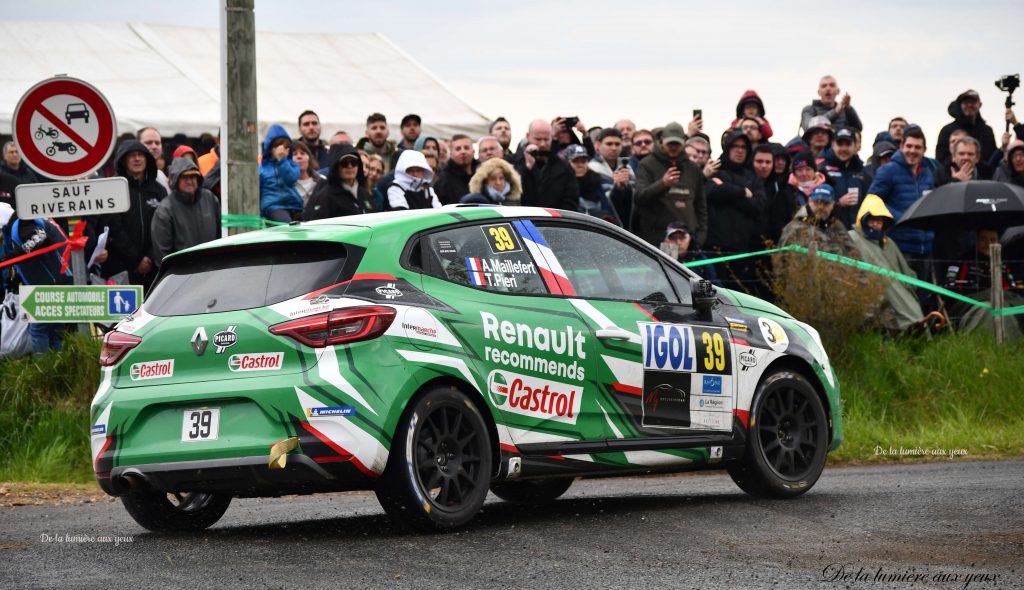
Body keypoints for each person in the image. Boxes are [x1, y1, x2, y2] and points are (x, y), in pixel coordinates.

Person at [868, 126, 936, 282]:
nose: (912, 151)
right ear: (901, 146)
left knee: (923, 298)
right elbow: (872, 201)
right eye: (909, 146)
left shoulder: (927, 173)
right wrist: (903, 218)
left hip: (925, 247)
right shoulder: (888, 171)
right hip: (900, 246)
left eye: (917, 147)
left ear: (924, 150)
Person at [847, 195, 925, 332]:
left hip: (899, 296)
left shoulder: (888, 243)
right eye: (872, 220)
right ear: (863, 220)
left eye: (879, 221)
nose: (876, 224)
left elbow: (905, 272)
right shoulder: (853, 238)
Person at [99, 139, 167, 288]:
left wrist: (150, 257)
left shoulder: (159, 190)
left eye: (141, 155)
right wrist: (136, 260)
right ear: (123, 160)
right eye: (132, 155)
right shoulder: (113, 189)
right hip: (120, 267)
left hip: (154, 267)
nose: (137, 159)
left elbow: (165, 228)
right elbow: (113, 227)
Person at [704, 129, 767, 292]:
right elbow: (710, 193)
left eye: (743, 147)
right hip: (715, 248)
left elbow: (757, 206)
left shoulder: (753, 177)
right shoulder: (715, 170)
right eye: (735, 146)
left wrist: (726, 191)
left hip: (743, 250)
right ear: (727, 148)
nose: (739, 150)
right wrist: (742, 192)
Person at [0, 212, 70, 353]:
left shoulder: (20, 224)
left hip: (46, 283)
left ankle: (45, 371)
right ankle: (58, 367)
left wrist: (10, 258)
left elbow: (39, 237)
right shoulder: (28, 220)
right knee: (54, 330)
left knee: (39, 329)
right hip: (58, 279)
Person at [634, 121, 707, 247]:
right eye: (670, 143)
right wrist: (663, 184)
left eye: (677, 144)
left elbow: (701, 206)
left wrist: (700, 238)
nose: (673, 147)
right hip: (656, 241)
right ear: (662, 141)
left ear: (684, 143)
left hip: (688, 242)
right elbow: (639, 198)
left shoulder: (692, 168)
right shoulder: (647, 164)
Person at [150, 157, 221, 266]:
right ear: (175, 180)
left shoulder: (210, 198)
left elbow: (220, 234)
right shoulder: (165, 209)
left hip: (212, 269)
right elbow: (162, 254)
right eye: (184, 177)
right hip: (182, 274)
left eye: (193, 176)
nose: (189, 181)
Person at [512, 119, 579, 212]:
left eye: (546, 139)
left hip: (552, 222)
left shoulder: (563, 167)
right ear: (528, 136)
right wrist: (527, 168)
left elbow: (571, 201)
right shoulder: (513, 162)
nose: (542, 144)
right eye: (538, 139)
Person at [780, 184, 859, 257]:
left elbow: (854, 256)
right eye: (817, 203)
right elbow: (781, 261)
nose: (820, 207)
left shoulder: (837, 226)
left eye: (825, 203)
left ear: (833, 204)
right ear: (809, 201)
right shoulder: (795, 228)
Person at [303, 144, 375, 220]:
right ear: (336, 167)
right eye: (344, 163)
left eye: (353, 162)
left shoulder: (364, 194)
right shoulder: (325, 197)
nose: (349, 166)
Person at [819, 127, 865, 228]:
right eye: (840, 144)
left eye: (848, 144)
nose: (844, 149)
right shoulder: (822, 169)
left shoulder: (861, 170)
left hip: (857, 232)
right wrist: (838, 203)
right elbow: (816, 204)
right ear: (833, 145)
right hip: (831, 230)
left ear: (855, 146)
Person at [936, 89, 997, 164]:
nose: (969, 105)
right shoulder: (947, 130)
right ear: (960, 105)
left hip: (982, 174)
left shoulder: (986, 131)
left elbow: (992, 160)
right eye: (966, 102)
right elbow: (940, 160)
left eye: (973, 102)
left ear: (980, 104)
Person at [588, 128, 634, 225]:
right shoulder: (591, 169)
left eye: (617, 144)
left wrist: (626, 187)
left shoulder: (628, 168)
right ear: (598, 145)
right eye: (609, 144)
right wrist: (617, 188)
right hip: (603, 223)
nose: (613, 148)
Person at [259, 125, 303, 223]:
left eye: (286, 147)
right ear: (270, 149)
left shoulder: (292, 164)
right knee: (287, 225)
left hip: (294, 205)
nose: (282, 150)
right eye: (278, 147)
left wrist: (282, 161)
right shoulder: (262, 168)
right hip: (273, 206)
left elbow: (291, 178)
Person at [755, 144, 796, 246]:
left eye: (784, 159)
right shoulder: (758, 183)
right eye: (777, 159)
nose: (781, 162)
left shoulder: (790, 186)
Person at [566, 144, 619, 224]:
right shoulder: (562, 185)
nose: (580, 165)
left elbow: (607, 209)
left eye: (583, 161)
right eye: (575, 161)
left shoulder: (596, 182)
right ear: (567, 162)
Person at [434, 134, 478, 204]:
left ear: (473, 151)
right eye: (458, 149)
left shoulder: (483, 172)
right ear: (451, 154)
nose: (463, 152)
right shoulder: (443, 179)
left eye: (466, 148)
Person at [137, 127, 171, 192]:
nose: (154, 146)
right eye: (149, 143)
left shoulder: (161, 176)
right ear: (137, 145)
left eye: (157, 143)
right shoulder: (127, 179)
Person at [291, 141, 324, 205]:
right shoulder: (283, 185)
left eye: (302, 153)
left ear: (309, 158)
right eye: (294, 154)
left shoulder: (322, 181)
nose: (299, 157)